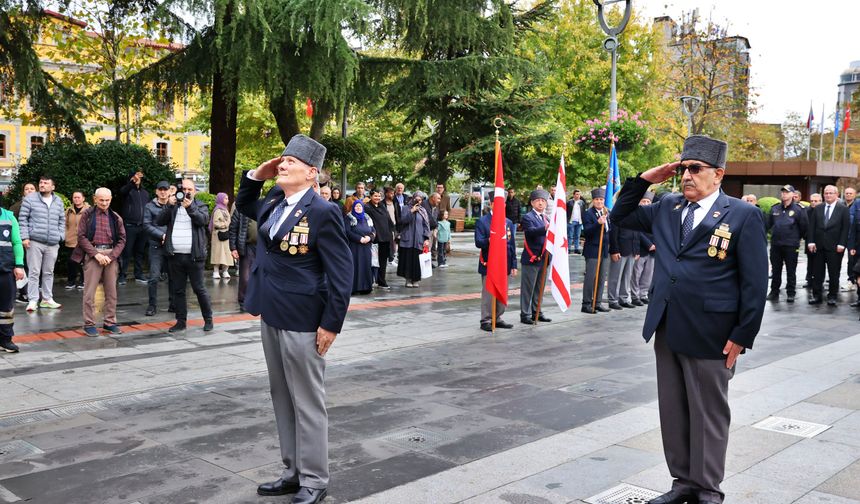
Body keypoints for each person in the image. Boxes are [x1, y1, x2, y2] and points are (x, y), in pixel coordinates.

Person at [610, 135, 767, 504]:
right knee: (674, 410)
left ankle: (708, 489)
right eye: (683, 169)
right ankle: (682, 481)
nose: (686, 176)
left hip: (713, 332)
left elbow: (755, 282)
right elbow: (620, 215)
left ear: (718, 174)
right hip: (668, 326)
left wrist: (743, 334)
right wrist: (647, 179)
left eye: (695, 169)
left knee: (709, 415)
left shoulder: (742, 215)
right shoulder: (667, 206)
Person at [236, 134, 352, 504]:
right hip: (271, 312)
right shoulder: (274, 201)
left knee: (307, 400)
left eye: (291, 162)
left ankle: (315, 479)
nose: (282, 165)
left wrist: (331, 324)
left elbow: (341, 273)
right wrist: (258, 173)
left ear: (311, 173)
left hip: (304, 319)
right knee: (282, 396)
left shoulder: (323, 212)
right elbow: (243, 203)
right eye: (282, 160)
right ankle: (293, 471)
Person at [156, 178, 214, 332]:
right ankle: (181, 322)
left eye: (190, 189)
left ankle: (208, 319)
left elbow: (203, 220)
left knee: (199, 288)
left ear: (194, 191)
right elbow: (159, 220)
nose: (187, 192)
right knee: (178, 290)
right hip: (175, 256)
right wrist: (169, 205)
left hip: (194, 256)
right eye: (184, 189)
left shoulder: (200, 205)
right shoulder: (173, 206)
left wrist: (190, 209)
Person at [73, 187, 127, 336]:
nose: (104, 203)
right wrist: (96, 254)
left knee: (112, 292)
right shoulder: (87, 215)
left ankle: (110, 322)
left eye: (107, 200)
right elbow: (81, 237)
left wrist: (111, 256)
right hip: (93, 254)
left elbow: (122, 240)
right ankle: (89, 323)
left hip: (111, 255)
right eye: (101, 200)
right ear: (95, 199)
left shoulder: (116, 217)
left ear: (111, 200)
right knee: (89, 293)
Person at [19, 175, 65, 312]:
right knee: (34, 271)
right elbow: (23, 219)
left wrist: (60, 236)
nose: (42, 185)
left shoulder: (59, 201)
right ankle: (33, 300)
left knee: (49, 272)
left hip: (52, 242)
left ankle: (47, 299)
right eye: (41, 182)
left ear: (53, 187)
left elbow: (62, 220)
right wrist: (25, 237)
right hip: (35, 241)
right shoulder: (30, 199)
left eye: (46, 183)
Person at [474, 199, 516, 331]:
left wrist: (514, 264)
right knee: (488, 293)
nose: (501, 206)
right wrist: (490, 240)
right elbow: (478, 242)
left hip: (505, 263)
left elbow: (512, 245)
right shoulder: (483, 221)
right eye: (497, 203)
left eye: (503, 203)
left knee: (501, 291)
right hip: (489, 263)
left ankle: (497, 317)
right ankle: (486, 320)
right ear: (491, 204)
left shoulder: (508, 222)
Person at [807, 185, 849, 306]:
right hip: (818, 246)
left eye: (831, 193)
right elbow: (812, 227)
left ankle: (832, 296)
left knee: (834, 273)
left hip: (835, 247)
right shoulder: (818, 208)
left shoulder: (843, 209)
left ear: (836, 195)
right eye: (826, 193)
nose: (828, 195)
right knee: (817, 273)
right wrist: (811, 241)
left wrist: (842, 244)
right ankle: (817, 296)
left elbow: (845, 229)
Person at [766, 184, 808, 303]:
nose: (784, 194)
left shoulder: (799, 209)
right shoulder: (775, 208)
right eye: (783, 192)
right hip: (776, 245)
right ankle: (774, 291)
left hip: (791, 245)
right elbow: (768, 224)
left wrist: (796, 238)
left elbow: (804, 227)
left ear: (793, 194)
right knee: (776, 270)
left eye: (787, 192)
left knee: (791, 270)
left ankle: (791, 293)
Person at [143, 181, 175, 316]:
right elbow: (146, 225)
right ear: (156, 191)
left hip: (172, 246)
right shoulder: (149, 206)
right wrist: (162, 235)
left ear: (170, 191)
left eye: (165, 189)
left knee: (174, 277)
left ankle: (174, 304)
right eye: (160, 190)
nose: (163, 192)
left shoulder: (174, 205)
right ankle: (152, 305)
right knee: (154, 277)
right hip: (156, 246)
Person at [519, 189, 551, 324]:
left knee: (540, 287)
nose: (540, 203)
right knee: (528, 288)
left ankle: (537, 311)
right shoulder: (528, 217)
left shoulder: (546, 218)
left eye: (543, 201)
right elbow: (530, 232)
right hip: (532, 258)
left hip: (545, 258)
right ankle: (525, 314)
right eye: (538, 200)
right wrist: (545, 228)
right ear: (532, 203)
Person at [0, 198, 26, 353]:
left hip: (6, 269)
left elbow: (17, 242)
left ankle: (5, 339)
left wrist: (19, 265)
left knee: (6, 308)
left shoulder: (9, 217)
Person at [581, 188, 611, 314]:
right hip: (593, 250)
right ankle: (587, 303)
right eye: (597, 199)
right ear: (593, 201)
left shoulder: (606, 212)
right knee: (591, 277)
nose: (599, 202)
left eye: (601, 199)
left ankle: (597, 302)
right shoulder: (588, 213)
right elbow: (586, 231)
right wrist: (597, 223)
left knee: (601, 277)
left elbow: (609, 231)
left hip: (604, 250)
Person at [118, 169, 149, 285]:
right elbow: (123, 191)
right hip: (130, 226)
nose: (137, 179)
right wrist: (131, 183)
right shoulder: (127, 191)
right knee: (126, 252)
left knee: (140, 252)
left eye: (139, 177)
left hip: (142, 226)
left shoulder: (145, 193)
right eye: (135, 177)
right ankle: (122, 275)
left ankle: (139, 274)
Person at [607, 208, 640, 310]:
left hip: (632, 250)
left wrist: (637, 250)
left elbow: (637, 233)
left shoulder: (635, 214)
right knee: (615, 277)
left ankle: (624, 299)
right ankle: (613, 300)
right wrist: (614, 250)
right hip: (620, 250)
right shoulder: (617, 214)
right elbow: (613, 234)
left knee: (627, 277)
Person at [397, 192, 431, 288]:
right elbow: (403, 221)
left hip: (419, 239)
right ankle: (408, 279)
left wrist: (426, 238)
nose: (418, 201)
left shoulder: (423, 210)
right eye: (417, 199)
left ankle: (416, 279)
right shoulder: (405, 208)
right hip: (407, 239)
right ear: (413, 198)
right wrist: (411, 211)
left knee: (417, 260)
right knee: (407, 260)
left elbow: (426, 225)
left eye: (420, 200)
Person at [229, 203, 257, 312]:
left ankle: (257, 300)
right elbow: (232, 229)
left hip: (262, 247)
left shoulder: (263, 206)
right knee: (245, 277)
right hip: (246, 246)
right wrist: (233, 247)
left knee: (260, 276)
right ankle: (243, 301)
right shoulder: (240, 209)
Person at [11, 182, 35, 304]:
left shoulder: (41, 205)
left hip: (37, 241)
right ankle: (23, 293)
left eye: (32, 188)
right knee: (23, 266)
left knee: (35, 269)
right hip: (21, 242)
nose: (29, 190)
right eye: (27, 189)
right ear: (23, 192)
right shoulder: (16, 207)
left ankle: (34, 293)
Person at [344, 199, 375, 295]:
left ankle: (365, 287)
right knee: (356, 266)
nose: (358, 208)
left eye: (360, 206)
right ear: (353, 207)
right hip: (355, 246)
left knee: (365, 266)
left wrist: (369, 238)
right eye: (356, 206)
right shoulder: (349, 218)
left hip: (366, 247)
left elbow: (373, 230)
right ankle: (354, 288)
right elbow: (347, 231)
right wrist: (359, 239)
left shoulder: (367, 218)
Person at [630, 191, 656, 306]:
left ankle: (643, 294)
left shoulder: (654, 214)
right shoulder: (636, 214)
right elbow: (637, 232)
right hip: (640, 248)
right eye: (644, 201)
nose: (646, 203)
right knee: (636, 274)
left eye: (648, 201)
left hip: (653, 250)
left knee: (648, 274)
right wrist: (649, 244)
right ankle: (634, 295)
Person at [365, 189, 394, 288]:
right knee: (372, 261)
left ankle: (381, 281)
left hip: (385, 238)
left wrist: (392, 232)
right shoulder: (367, 207)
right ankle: (370, 281)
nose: (377, 198)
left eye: (379, 196)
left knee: (383, 261)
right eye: (375, 196)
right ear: (371, 196)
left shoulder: (382, 206)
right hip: (375, 238)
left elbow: (388, 220)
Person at [64, 191, 89, 289]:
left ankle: (84, 281)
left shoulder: (89, 210)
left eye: (78, 197)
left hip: (83, 241)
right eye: (74, 197)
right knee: (71, 262)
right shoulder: (68, 210)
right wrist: (65, 235)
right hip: (70, 240)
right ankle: (71, 282)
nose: (76, 199)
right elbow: (64, 224)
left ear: (83, 198)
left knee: (83, 263)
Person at [209, 192, 234, 279]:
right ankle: (216, 272)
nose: (227, 200)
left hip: (225, 234)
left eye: (227, 198)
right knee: (218, 253)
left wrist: (226, 224)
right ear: (220, 199)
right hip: (218, 234)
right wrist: (225, 224)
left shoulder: (225, 209)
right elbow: (216, 223)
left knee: (227, 253)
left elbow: (229, 219)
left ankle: (225, 271)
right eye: (225, 198)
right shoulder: (217, 210)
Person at [804, 192, 822, 289]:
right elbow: (804, 225)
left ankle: (819, 280)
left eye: (816, 201)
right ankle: (809, 279)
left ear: (820, 201)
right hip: (809, 239)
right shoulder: (807, 211)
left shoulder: (823, 210)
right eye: (811, 201)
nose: (813, 203)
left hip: (821, 240)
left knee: (819, 262)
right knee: (810, 261)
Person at [844, 187, 859, 291]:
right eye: (847, 193)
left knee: (852, 260)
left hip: (852, 238)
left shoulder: (857, 205)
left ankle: (852, 280)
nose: (848, 195)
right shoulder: (841, 205)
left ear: (855, 194)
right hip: (843, 237)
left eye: (850, 193)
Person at [383, 186, 401, 267]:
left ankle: (391, 258)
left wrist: (399, 226)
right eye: (391, 193)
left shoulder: (395, 203)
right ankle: (389, 258)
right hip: (385, 226)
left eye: (393, 193)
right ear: (386, 194)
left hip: (394, 225)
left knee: (394, 242)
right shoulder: (382, 204)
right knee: (388, 243)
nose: (392, 195)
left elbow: (398, 215)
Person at [566, 189, 585, 254]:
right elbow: (566, 211)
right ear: (573, 195)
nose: (578, 196)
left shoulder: (582, 202)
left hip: (579, 221)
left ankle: (576, 248)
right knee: (570, 236)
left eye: (579, 194)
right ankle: (568, 248)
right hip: (571, 221)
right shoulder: (569, 202)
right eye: (576, 194)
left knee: (577, 235)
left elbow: (584, 211)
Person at [424, 192, 441, 266]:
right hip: (425, 230)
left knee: (430, 246)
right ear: (432, 198)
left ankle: (428, 262)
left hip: (431, 229)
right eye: (438, 198)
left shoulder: (435, 207)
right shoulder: (425, 205)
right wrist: (436, 226)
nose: (439, 200)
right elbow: (429, 219)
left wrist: (436, 229)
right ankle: (425, 263)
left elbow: (436, 218)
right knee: (426, 247)